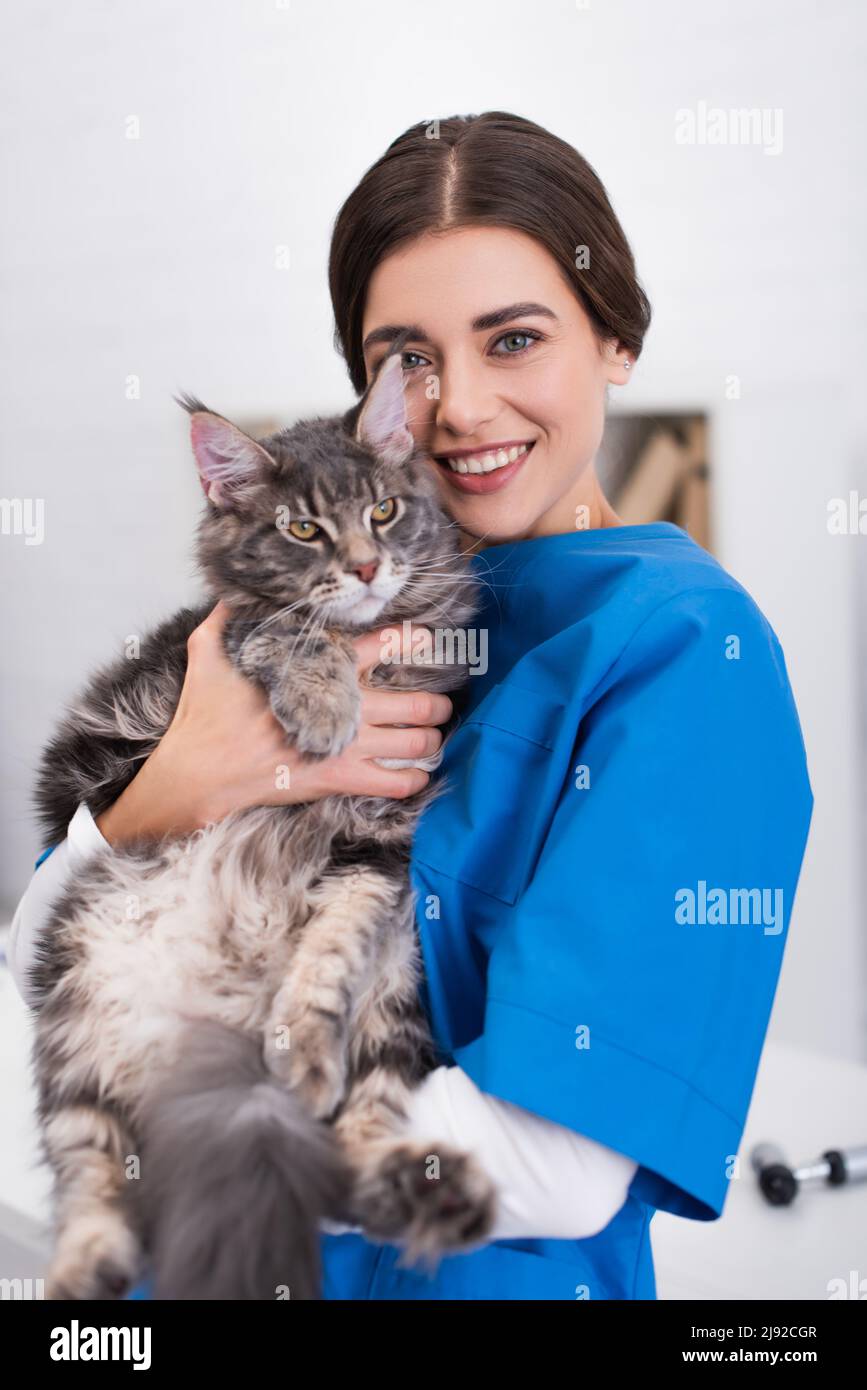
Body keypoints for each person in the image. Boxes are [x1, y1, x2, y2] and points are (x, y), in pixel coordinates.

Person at [9, 111, 813, 1301]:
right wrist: (168, 790)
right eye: (412, 357)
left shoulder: (688, 650)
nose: (460, 409)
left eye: (515, 338)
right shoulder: (322, 613)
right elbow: (39, 969)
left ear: (616, 339)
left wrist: (175, 1134)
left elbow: (558, 1160)